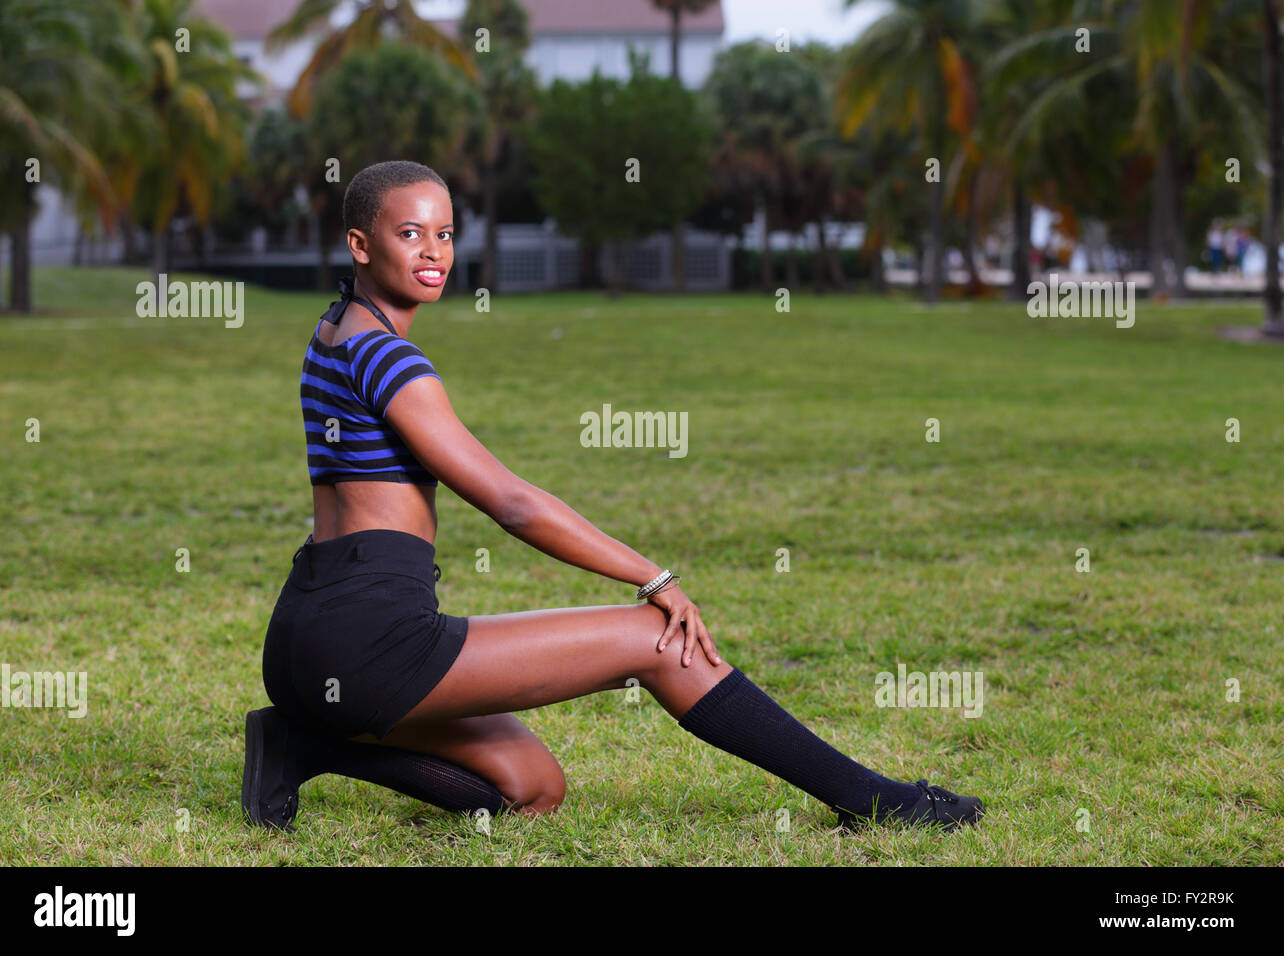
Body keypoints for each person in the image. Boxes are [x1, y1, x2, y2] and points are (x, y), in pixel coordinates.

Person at [244, 160, 986, 835]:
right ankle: (877, 802)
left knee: (534, 789)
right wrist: (652, 576)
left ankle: (303, 740)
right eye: (409, 233)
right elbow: (511, 503)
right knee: (656, 642)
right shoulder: (389, 357)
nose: (434, 251)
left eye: (444, 232)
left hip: (305, 638)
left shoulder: (335, 331)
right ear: (361, 245)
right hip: (372, 641)